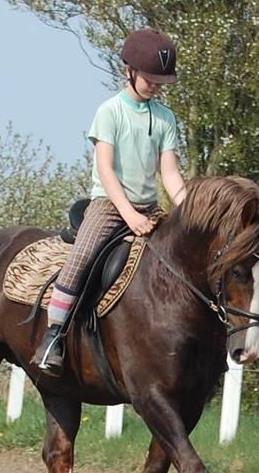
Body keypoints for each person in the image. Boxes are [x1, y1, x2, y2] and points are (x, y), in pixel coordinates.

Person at [33, 27, 187, 376]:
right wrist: (129, 215)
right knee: (81, 257)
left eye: (161, 80)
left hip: (148, 207)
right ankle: (53, 336)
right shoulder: (110, 112)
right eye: (150, 78)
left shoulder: (165, 119)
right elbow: (105, 170)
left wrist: (189, 206)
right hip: (109, 203)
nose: (156, 85)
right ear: (129, 70)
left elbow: (170, 172)